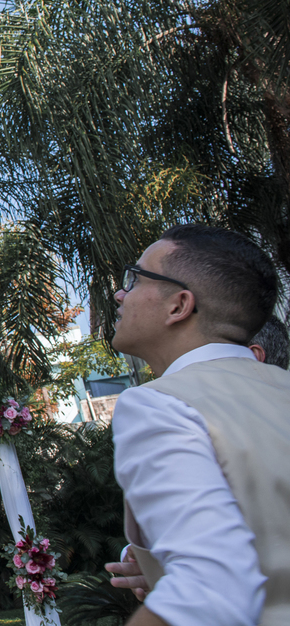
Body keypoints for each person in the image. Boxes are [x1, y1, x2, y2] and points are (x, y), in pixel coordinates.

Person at [103, 224, 290, 626]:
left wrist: (184, 584)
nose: (120, 293)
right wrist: (161, 568)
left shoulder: (159, 403)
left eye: (134, 280)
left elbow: (212, 590)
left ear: (179, 305)